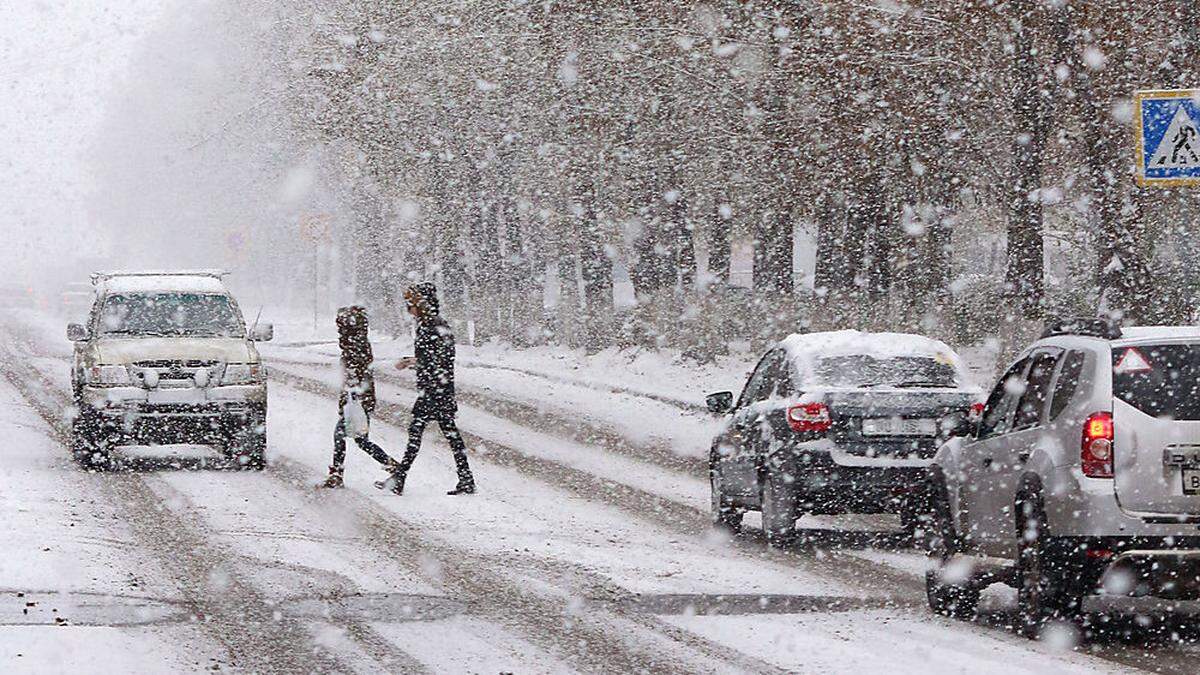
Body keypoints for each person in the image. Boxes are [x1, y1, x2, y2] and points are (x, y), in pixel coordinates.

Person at [389, 282, 476, 495]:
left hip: (435, 390)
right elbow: (433, 359)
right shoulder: (431, 325)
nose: (409, 310)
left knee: (417, 432)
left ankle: (400, 478)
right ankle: (466, 478)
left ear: (422, 304)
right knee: (449, 434)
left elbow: (438, 360)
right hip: (438, 389)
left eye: (411, 305)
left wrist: (411, 362)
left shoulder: (434, 326)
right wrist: (416, 362)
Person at [319, 305, 404, 490]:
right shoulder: (356, 345)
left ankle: (337, 474)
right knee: (360, 440)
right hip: (358, 400)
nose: (339, 330)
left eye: (341, 326)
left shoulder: (356, 347)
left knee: (342, 435)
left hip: (358, 400)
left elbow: (357, 377)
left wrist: (354, 397)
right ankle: (393, 467)